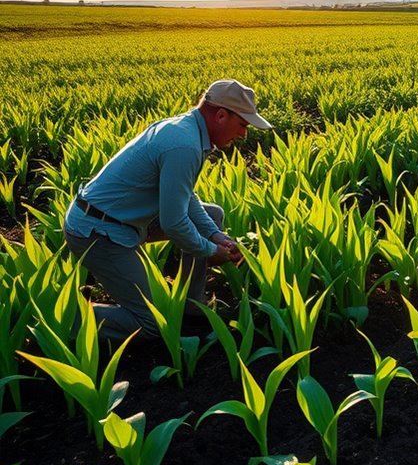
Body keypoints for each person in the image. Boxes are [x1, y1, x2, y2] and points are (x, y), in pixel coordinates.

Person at [63, 79, 272, 341]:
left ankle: (191, 303)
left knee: (212, 216)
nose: (244, 134)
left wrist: (214, 235)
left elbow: (184, 197)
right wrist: (210, 250)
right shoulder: (184, 145)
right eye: (243, 124)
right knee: (154, 322)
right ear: (220, 115)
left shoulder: (189, 130)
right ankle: (64, 319)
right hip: (99, 232)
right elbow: (174, 222)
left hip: (126, 220)